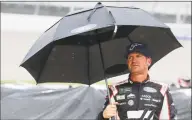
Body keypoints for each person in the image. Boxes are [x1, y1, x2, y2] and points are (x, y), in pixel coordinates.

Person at [97, 42, 177, 120]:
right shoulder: (114, 89)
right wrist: (103, 116)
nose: (134, 60)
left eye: (138, 56)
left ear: (148, 61)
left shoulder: (162, 89)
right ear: (127, 62)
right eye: (130, 57)